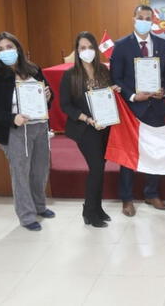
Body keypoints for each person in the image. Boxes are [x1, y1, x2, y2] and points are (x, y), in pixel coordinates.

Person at [0, 32, 55, 231]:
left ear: (18, 48)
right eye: (0, 49)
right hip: (15, 129)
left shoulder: (34, 70)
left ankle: (40, 206)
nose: (6, 51)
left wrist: (48, 96)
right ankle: (26, 215)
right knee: (21, 173)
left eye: (9, 47)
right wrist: (12, 118)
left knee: (40, 169)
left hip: (39, 126)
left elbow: (48, 95)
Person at [110, 4, 165, 217]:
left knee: (154, 152)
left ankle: (151, 192)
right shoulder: (121, 46)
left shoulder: (162, 45)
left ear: (153, 21)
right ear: (134, 18)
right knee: (129, 154)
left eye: (148, 17)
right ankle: (127, 198)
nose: (145, 20)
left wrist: (163, 91)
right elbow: (115, 77)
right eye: (141, 17)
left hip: (156, 108)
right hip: (132, 109)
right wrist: (133, 95)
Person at [61, 32, 118, 228]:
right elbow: (65, 105)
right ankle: (89, 211)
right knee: (96, 168)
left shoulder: (103, 70)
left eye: (90, 47)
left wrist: (115, 91)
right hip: (85, 129)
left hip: (105, 127)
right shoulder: (70, 75)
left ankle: (97, 208)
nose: (87, 51)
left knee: (100, 168)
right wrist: (87, 119)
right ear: (77, 51)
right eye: (82, 48)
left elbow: (108, 97)